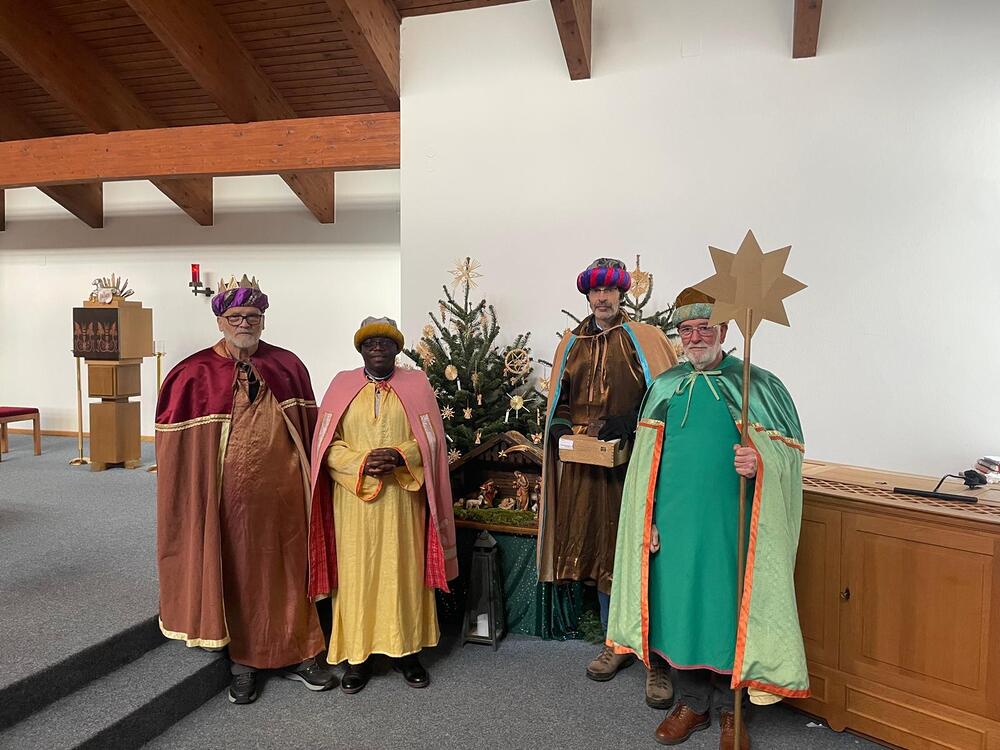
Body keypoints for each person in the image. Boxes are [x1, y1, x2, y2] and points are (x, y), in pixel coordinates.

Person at [607, 287, 809, 749]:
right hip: (675, 525)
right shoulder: (665, 387)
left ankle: (731, 712)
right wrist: (647, 520)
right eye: (687, 330)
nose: (695, 338)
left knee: (728, 611)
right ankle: (693, 703)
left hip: (732, 526)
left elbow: (790, 457)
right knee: (682, 611)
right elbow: (644, 467)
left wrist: (761, 462)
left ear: (724, 330)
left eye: (704, 328)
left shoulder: (758, 385)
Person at [155, 275, 336, 705]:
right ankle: (244, 663)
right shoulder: (191, 373)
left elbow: (310, 433)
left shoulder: (288, 366)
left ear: (263, 320)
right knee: (236, 571)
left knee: (290, 568)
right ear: (220, 321)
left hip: (285, 495)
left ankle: (301, 653)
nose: (244, 324)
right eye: (235, 317)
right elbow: (179, 457)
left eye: (253, 317)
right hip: (227, 499)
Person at [537, 258, 676, 707]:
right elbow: (560, 397)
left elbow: (665, 395)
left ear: (621, 295)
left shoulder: (645, 339)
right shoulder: (572, 343)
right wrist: (559, 425)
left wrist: (632, 420)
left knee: (643, 547)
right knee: (601, 546)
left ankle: (657, 659)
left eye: (610, 291)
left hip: (634, 462)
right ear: (587, 296)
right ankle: (616, 641)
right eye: (595, 292)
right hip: (585, 466)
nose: (602, 298)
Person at [307, 316, 457, 694]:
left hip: (402, 502)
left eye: (385, 342)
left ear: (396, 348)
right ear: (360, 349)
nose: (377, 347)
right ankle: (357, 658)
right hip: (353, 502)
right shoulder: (341, 386)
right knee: (356, 576)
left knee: (402, 572)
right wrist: (362, 462)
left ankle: (407, 653)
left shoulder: (417, 385)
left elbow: (432, 441)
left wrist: (400, 455)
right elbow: (326, 445)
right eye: (370, 342)